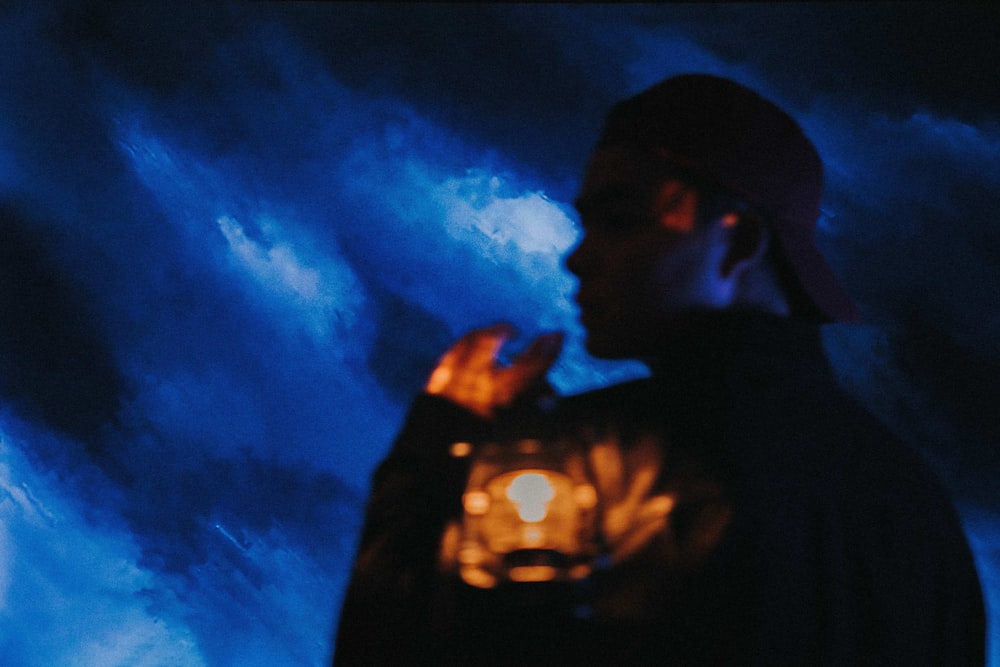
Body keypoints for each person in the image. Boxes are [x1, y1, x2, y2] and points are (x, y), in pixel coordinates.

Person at [333, 74, 985, 665]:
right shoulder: (918, 510)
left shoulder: (570, 459)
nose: (577, 260)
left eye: (619, 219)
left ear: (738, 242)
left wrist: (433, 454)